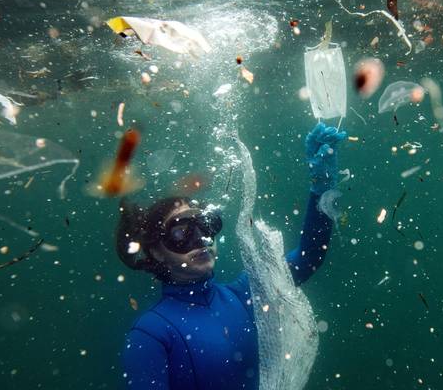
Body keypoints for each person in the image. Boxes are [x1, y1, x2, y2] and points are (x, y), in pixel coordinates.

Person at [115, 122, 347, 389]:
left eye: (206, 225)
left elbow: (309, 258)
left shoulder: (244, 294)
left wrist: (322, 190)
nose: (201, 239)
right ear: (155, 250)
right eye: (181, 232)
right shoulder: (151, 334)